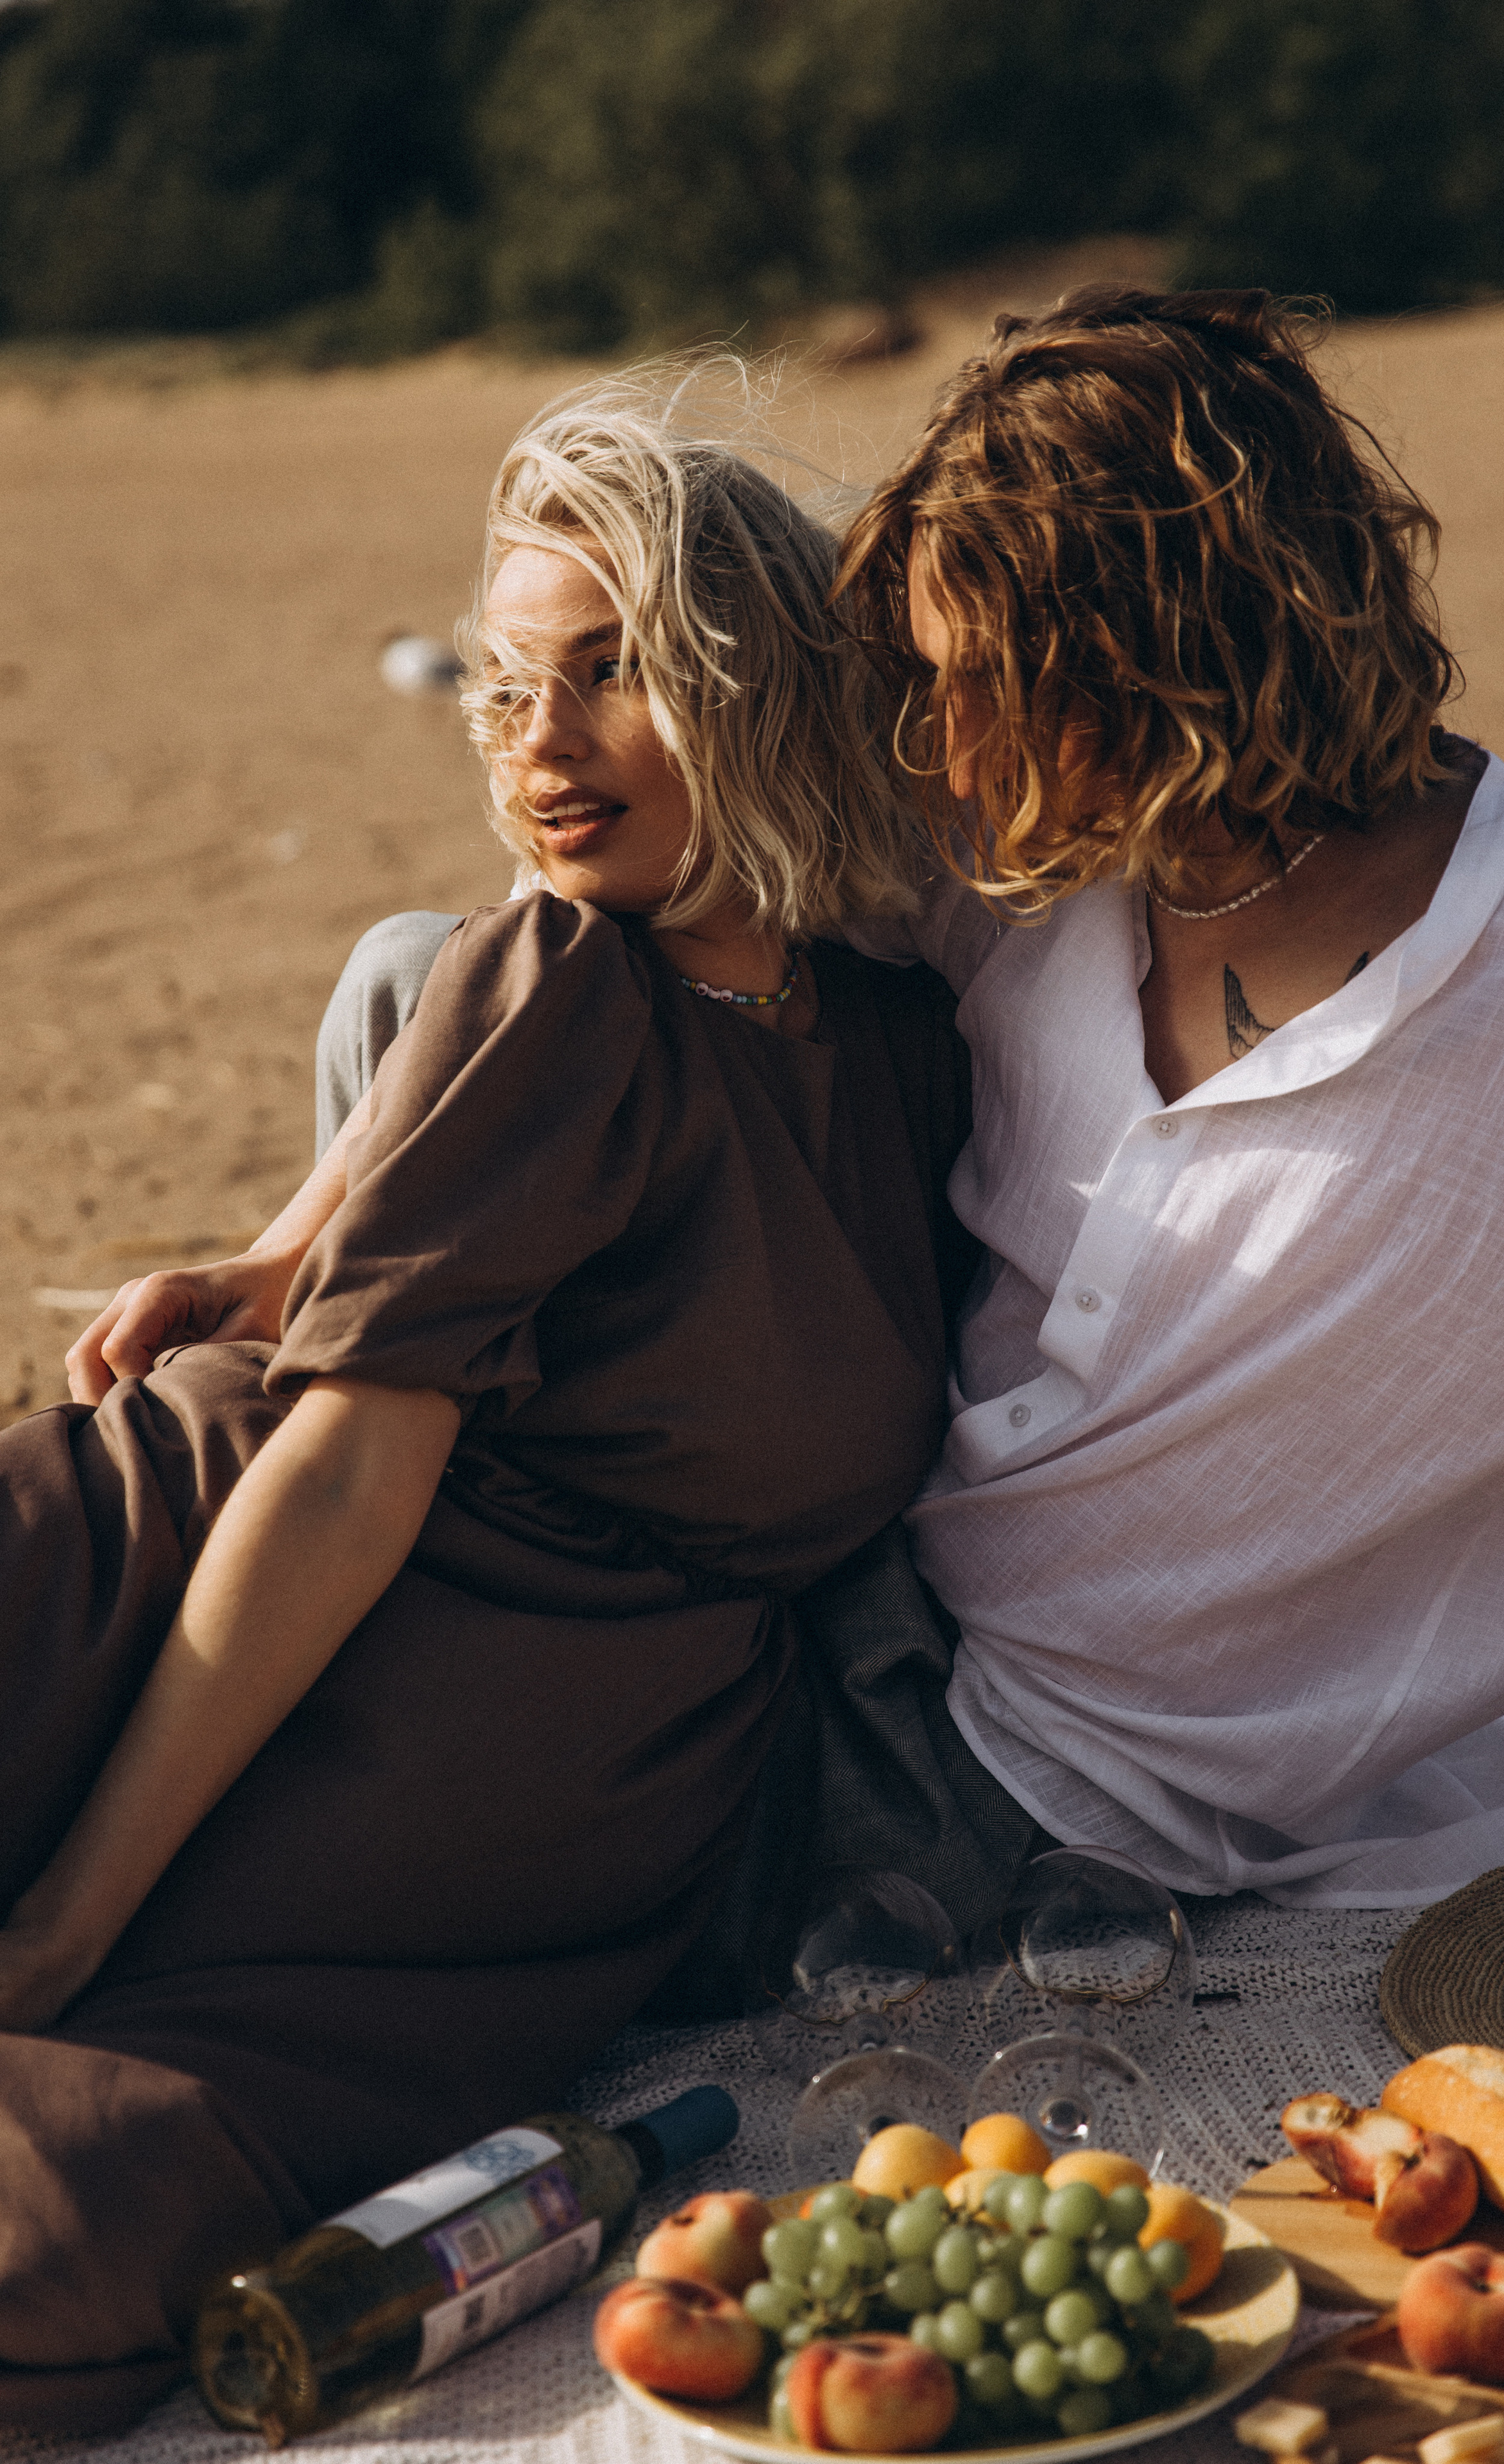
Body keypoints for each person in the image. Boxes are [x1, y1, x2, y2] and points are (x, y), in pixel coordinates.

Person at [81, 289, 1504, 1922]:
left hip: (989, 1775)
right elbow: (569, 936)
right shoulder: (1042, 835)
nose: (935, 750)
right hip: (805, 1549)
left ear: (1166, 667)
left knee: (252, 1795)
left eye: (978, 685)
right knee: (417, 970)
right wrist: (291, 1251)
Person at [0, 389, 978, 2431]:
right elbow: (341, 1476)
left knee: (67, 2232)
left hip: (526, 1808)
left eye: (612, 674)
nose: (538, 744)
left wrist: (297, 1236)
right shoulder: (562, 977)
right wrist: (70, 1914)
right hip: (193, 1578)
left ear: (750, 676)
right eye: (511, 684)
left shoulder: (905, 1040)